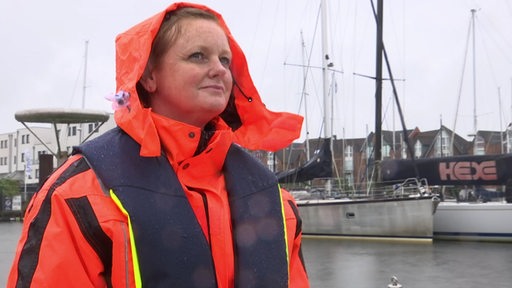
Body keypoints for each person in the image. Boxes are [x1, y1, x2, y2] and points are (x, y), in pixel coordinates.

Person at [8, 2, 309, 288]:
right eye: (198, 56)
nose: (219, 69)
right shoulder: (78, 195)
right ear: (150, 75)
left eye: (225, 60)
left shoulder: (276, 201)